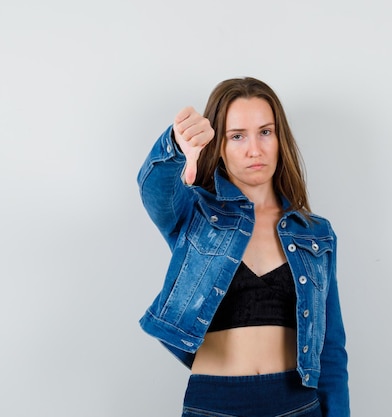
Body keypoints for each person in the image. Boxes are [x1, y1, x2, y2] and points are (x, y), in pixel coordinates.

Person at [137, 77, 349, 417]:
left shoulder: (316, 234)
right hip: (215, 406)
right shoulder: (196, 213)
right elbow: (155, 192)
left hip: (297, 405)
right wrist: (176, 146)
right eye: (237, 136)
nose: (255, 149)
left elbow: (331, 351)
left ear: (280, 138)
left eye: (265, 132)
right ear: (218, 145)